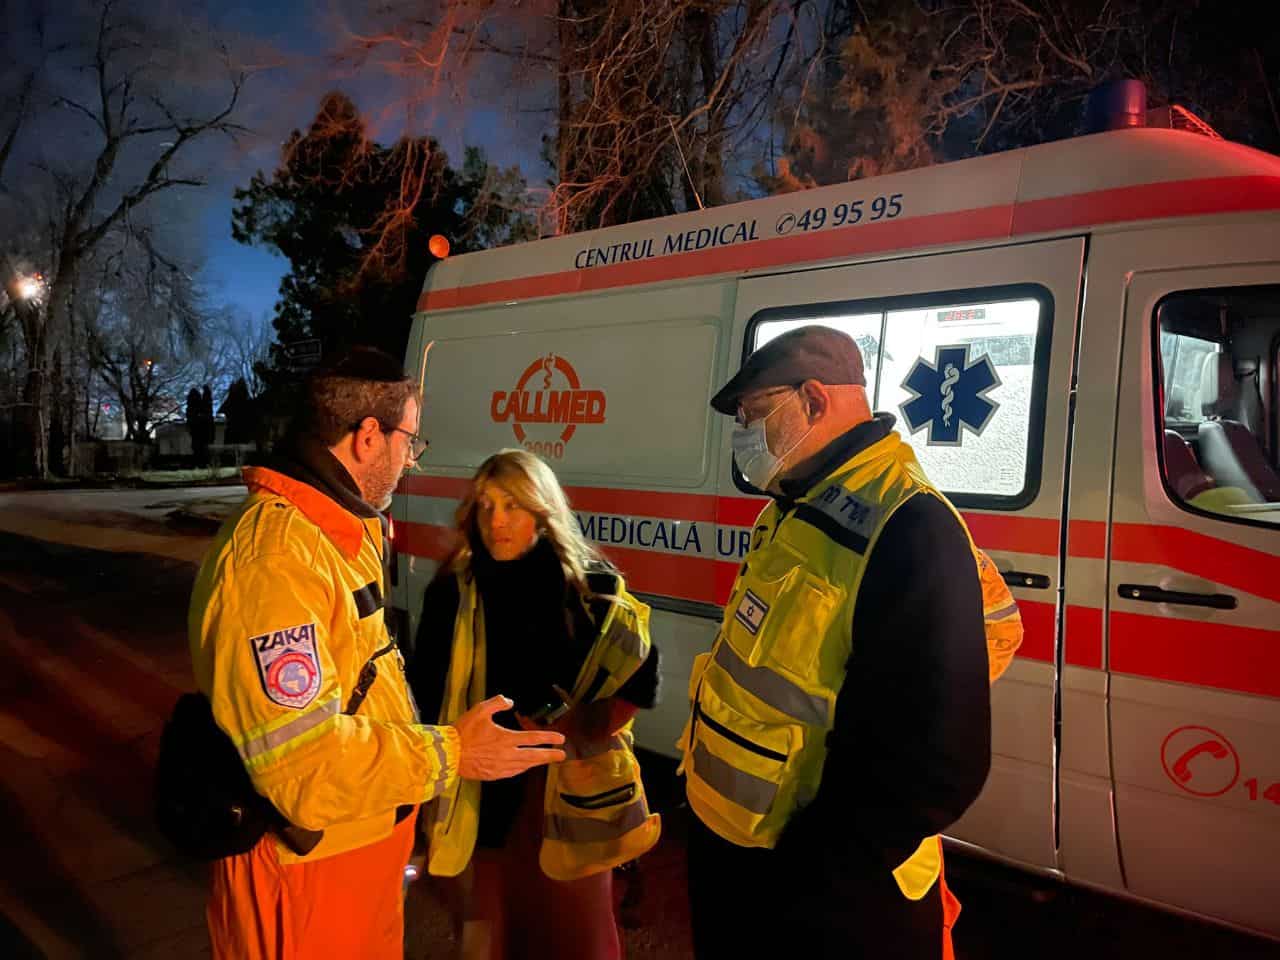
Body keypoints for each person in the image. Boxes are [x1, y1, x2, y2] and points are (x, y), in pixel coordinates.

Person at [188, 348, 566, 959]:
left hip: (349, 860)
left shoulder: (337, 529)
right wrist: (452, 752)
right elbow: (304, 768)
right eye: (410, 439)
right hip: (305, 880)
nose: (411, 458)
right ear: (369, 436)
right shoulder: (278, 560)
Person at [680, 326, 993, 959]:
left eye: (753, 414)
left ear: (814, 400)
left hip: (820, 899)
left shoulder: (911, 526)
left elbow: (938, 765)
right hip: (738, 854)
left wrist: (809, 874)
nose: (743, 434)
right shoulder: (793, 503)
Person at [409, 448, 662, 960]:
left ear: (542, 511)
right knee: (487, 936)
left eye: (512, 505)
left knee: (575, 939)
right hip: (480, 797)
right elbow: (424, 693)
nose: (496, 521)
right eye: (485, 506)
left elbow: (640, 679)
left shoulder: (590, 589)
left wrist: (577, 732)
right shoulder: (452, 590)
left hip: (563, 797)